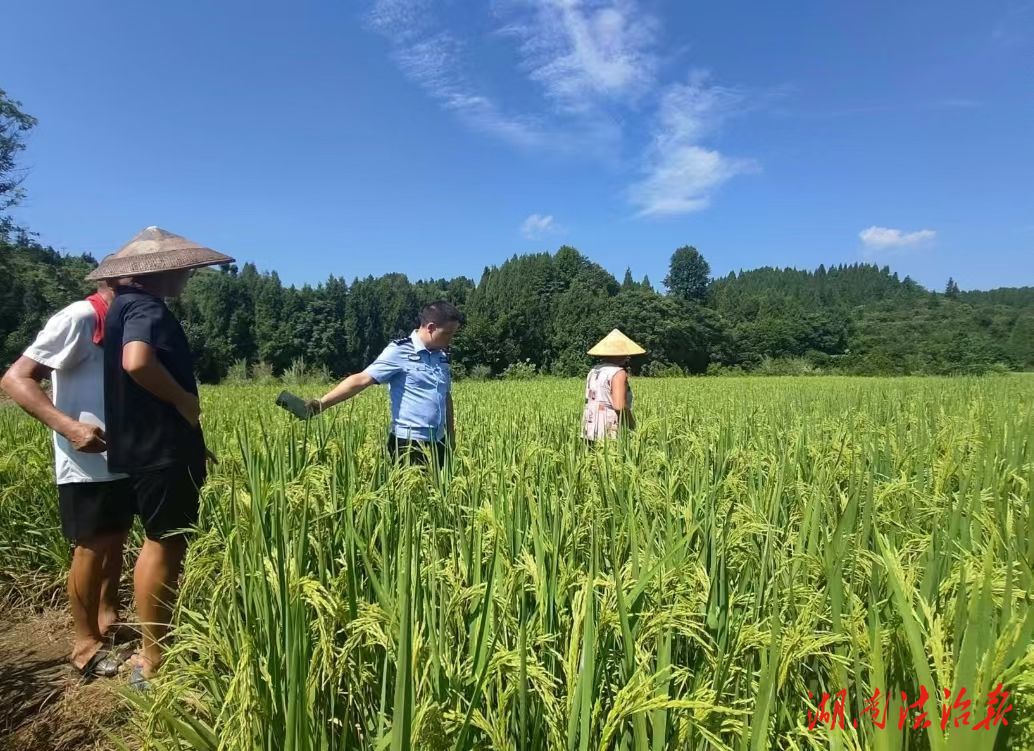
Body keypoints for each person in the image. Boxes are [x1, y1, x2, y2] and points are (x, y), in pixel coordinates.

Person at [86, 226, 234, 686]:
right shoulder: (147, 308)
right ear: (163, 271)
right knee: (165, 544)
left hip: (150, 443)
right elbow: (137, 361)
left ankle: (154, 651)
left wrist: (191, 434)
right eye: (184, 270)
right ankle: (154, 660)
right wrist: (184, 403)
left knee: (160, 541)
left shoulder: (123, 306)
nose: (188, 277)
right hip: (160, 451)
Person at [1, 279, 134, 679]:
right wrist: (70, 428)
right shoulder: (80, 316)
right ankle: (84, 645)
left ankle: (108, 619)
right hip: (84, 459)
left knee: (116, 538)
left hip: (123, 455)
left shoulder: (126, 323)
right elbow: (16, 379)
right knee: (91, 546)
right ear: (114, 282)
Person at [306, 301, 464, 468]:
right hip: (409, 442)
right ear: (431, 328)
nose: (451, 340)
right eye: (448, 334)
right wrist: (322, 403)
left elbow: (445, 396)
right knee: (414, 493)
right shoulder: (399, 351)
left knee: (442, 491)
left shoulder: (441, 356)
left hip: (439, 440)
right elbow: (361, 380)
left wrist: (451, 435)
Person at [582, 329, 645, 442]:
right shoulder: (618, 373)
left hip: (589, 429)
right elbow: (619, 406)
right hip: (608, 431)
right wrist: (632, 424)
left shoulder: (594, 370)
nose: (628, 356)